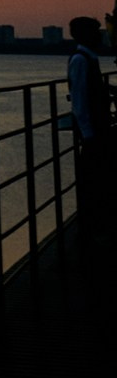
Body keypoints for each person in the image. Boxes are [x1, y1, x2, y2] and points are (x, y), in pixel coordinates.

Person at [66, 14, 112, 235]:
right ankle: (92, 224)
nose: (100, 36)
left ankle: (94, 222)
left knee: (95, 176)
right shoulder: (81, 60)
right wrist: (89, 133)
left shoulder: (87, 59)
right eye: (96, 32)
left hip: (96, 128)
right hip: (93, 131)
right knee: (92, 177)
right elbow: (80, 101)